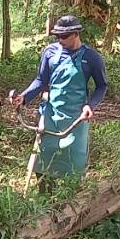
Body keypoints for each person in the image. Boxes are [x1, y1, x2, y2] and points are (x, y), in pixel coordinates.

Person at [11, 15, 109, 179]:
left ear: (76, 34)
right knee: (43, 163)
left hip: (76, 119)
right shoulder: (50, 52)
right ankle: (44, 199)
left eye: (64, 36)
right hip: (51, 115)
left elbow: (102, 86)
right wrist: (24, 97)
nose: (60, 40)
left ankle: (72, 200)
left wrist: (89, 106)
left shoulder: (91, 57)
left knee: (74, 165)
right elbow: (41, 80)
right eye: (57, 36)